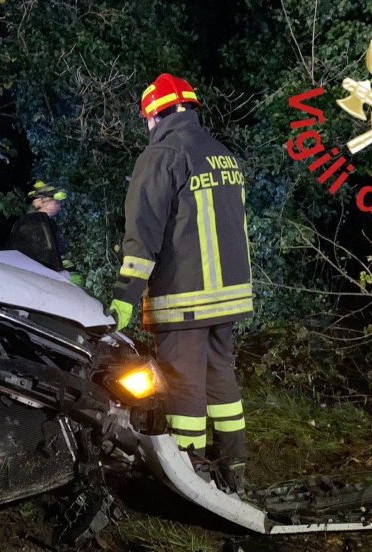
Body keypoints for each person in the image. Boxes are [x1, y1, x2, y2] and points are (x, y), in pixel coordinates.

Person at [108, 73, 253, 493]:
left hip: (184, 297)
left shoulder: (162, 155)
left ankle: (191, 476)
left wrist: (125, 297)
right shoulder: (221, 154)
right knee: (220, 375)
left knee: (183, 381)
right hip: (229, 298)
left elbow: (142, 235)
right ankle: (233, 465)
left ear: (154, 115)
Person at [7, 181, 80, 283]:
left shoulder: (50, 225)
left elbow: (59, 252)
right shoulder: (29, 226)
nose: (58, 207)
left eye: (59, 204)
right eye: (54, 203)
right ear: (40, 202)